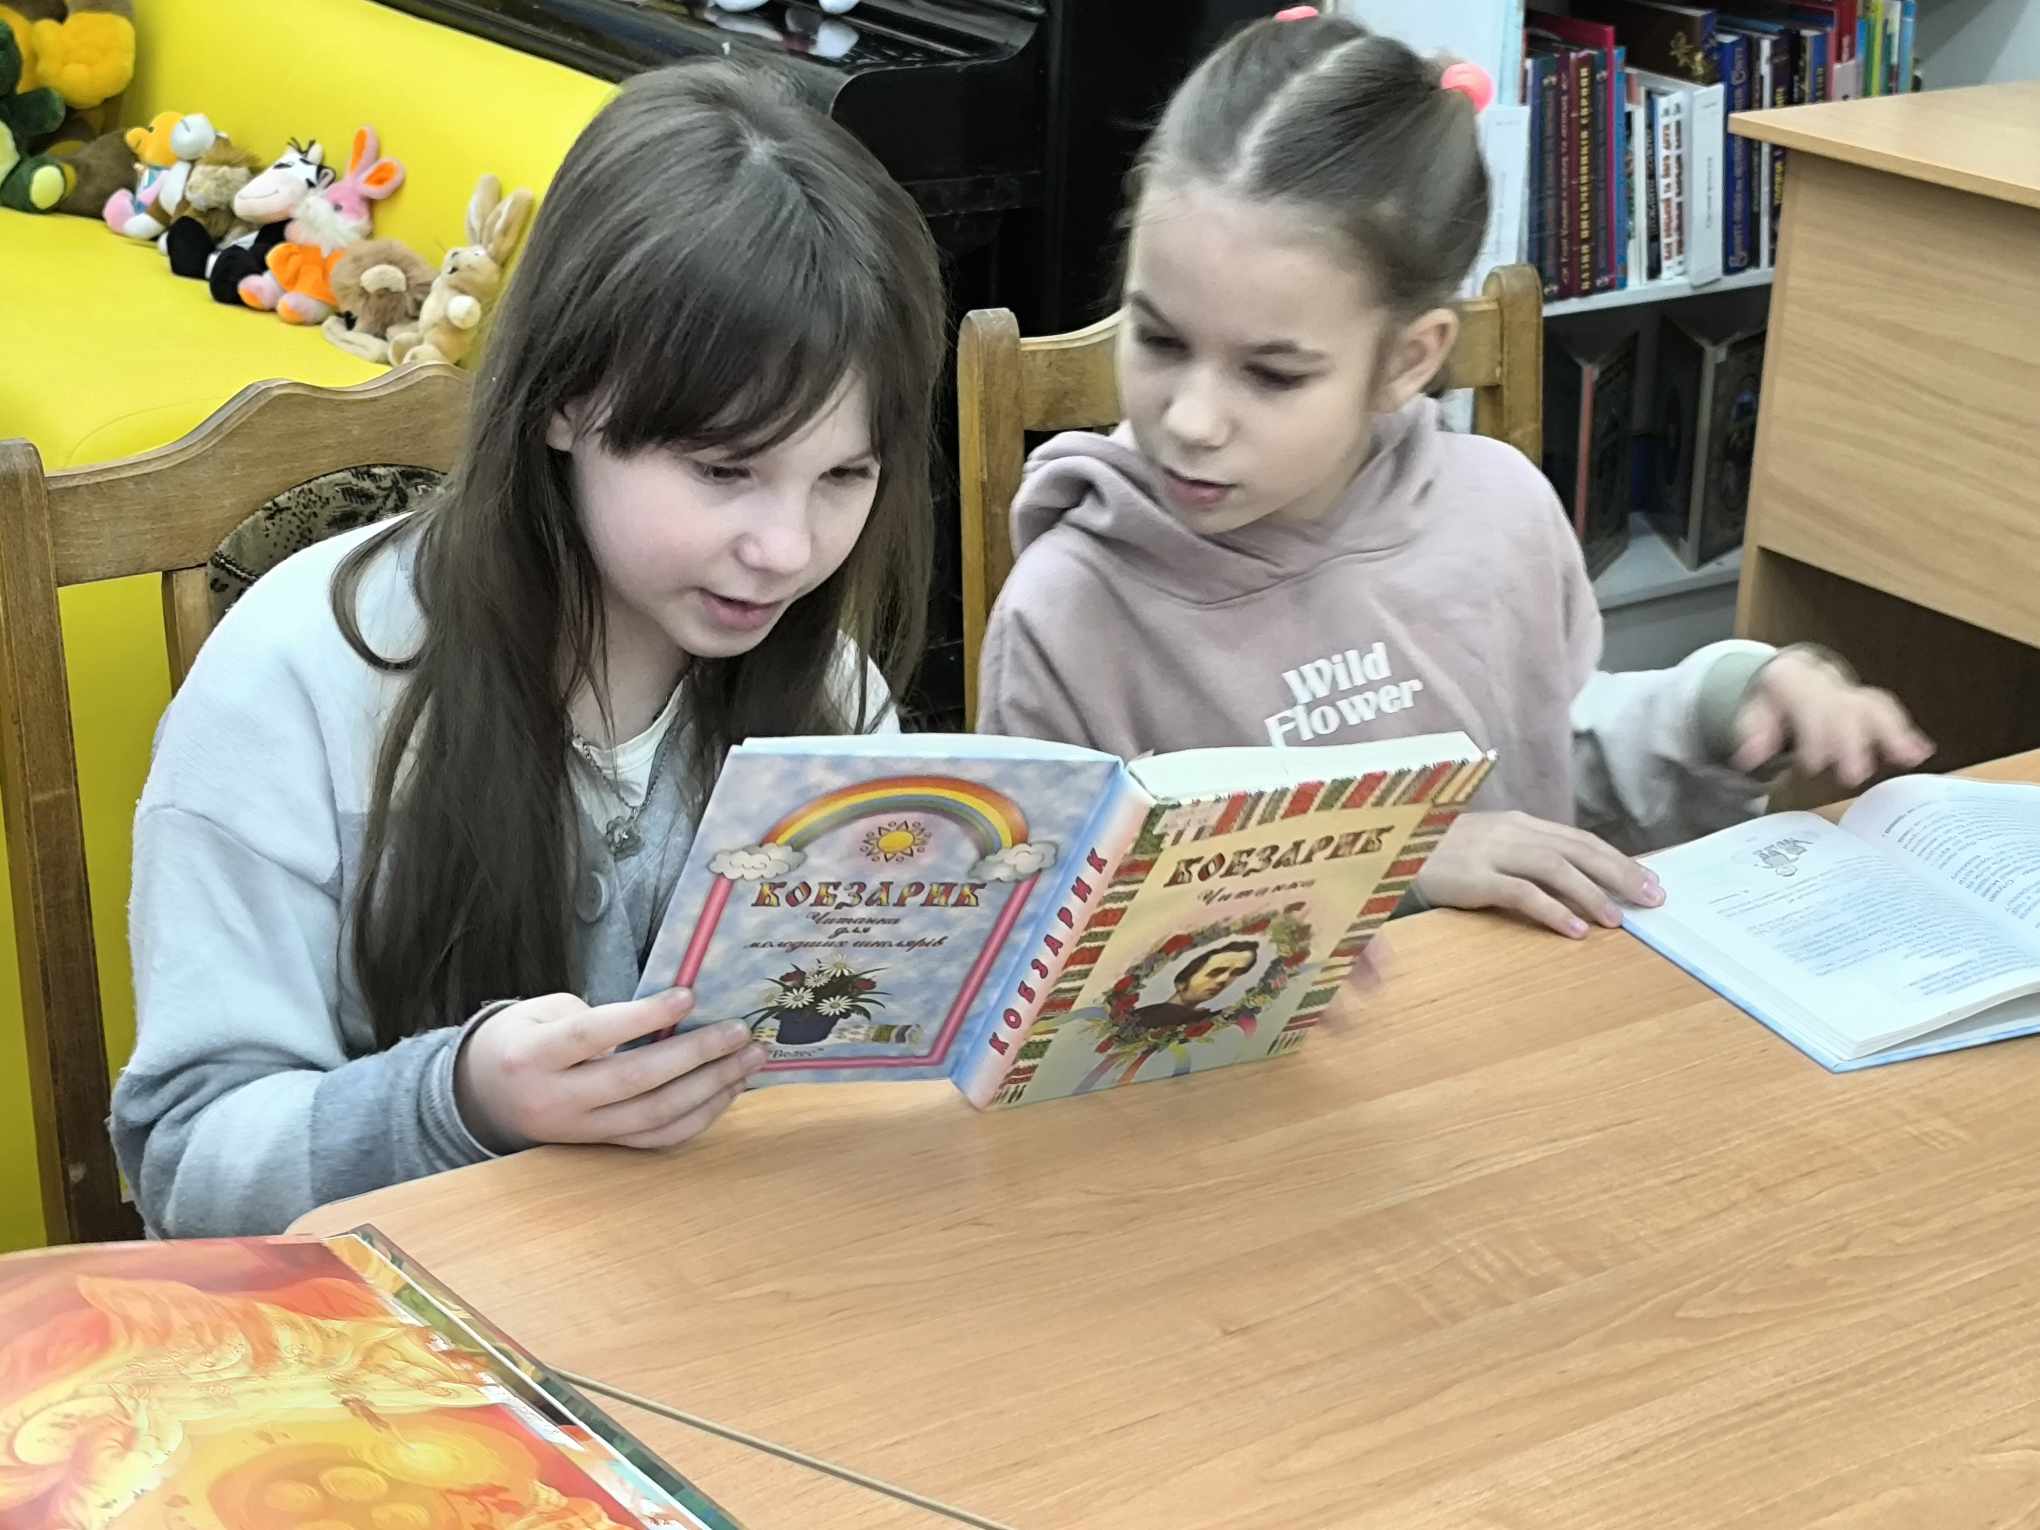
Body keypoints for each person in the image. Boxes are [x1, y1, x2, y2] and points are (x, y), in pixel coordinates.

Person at [112, 60, 946, 1239]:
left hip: (719, 1297)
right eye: (724, 470)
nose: (787, 549)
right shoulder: (296, 685)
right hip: (391, 1335)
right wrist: (459, 1101)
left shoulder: (828, 698)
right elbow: (189, 1170)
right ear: (564, 399)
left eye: (844, 476)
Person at [976, 10, 1931, 942]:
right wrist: (1389, 863)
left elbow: (1554, 757)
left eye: (1272, 374)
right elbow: (1039, 931)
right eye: (1158, 340)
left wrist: (1729, 707)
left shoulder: (1498, 508)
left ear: (1409, 359)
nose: (1190, 419)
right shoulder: (1068, 612)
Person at [1130, 941, 1262, 1032]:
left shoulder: (1199, 1017)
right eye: (1215, 972)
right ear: (1181, 982)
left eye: (1235, 973)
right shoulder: (1154, 1017)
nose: (1223, 980)